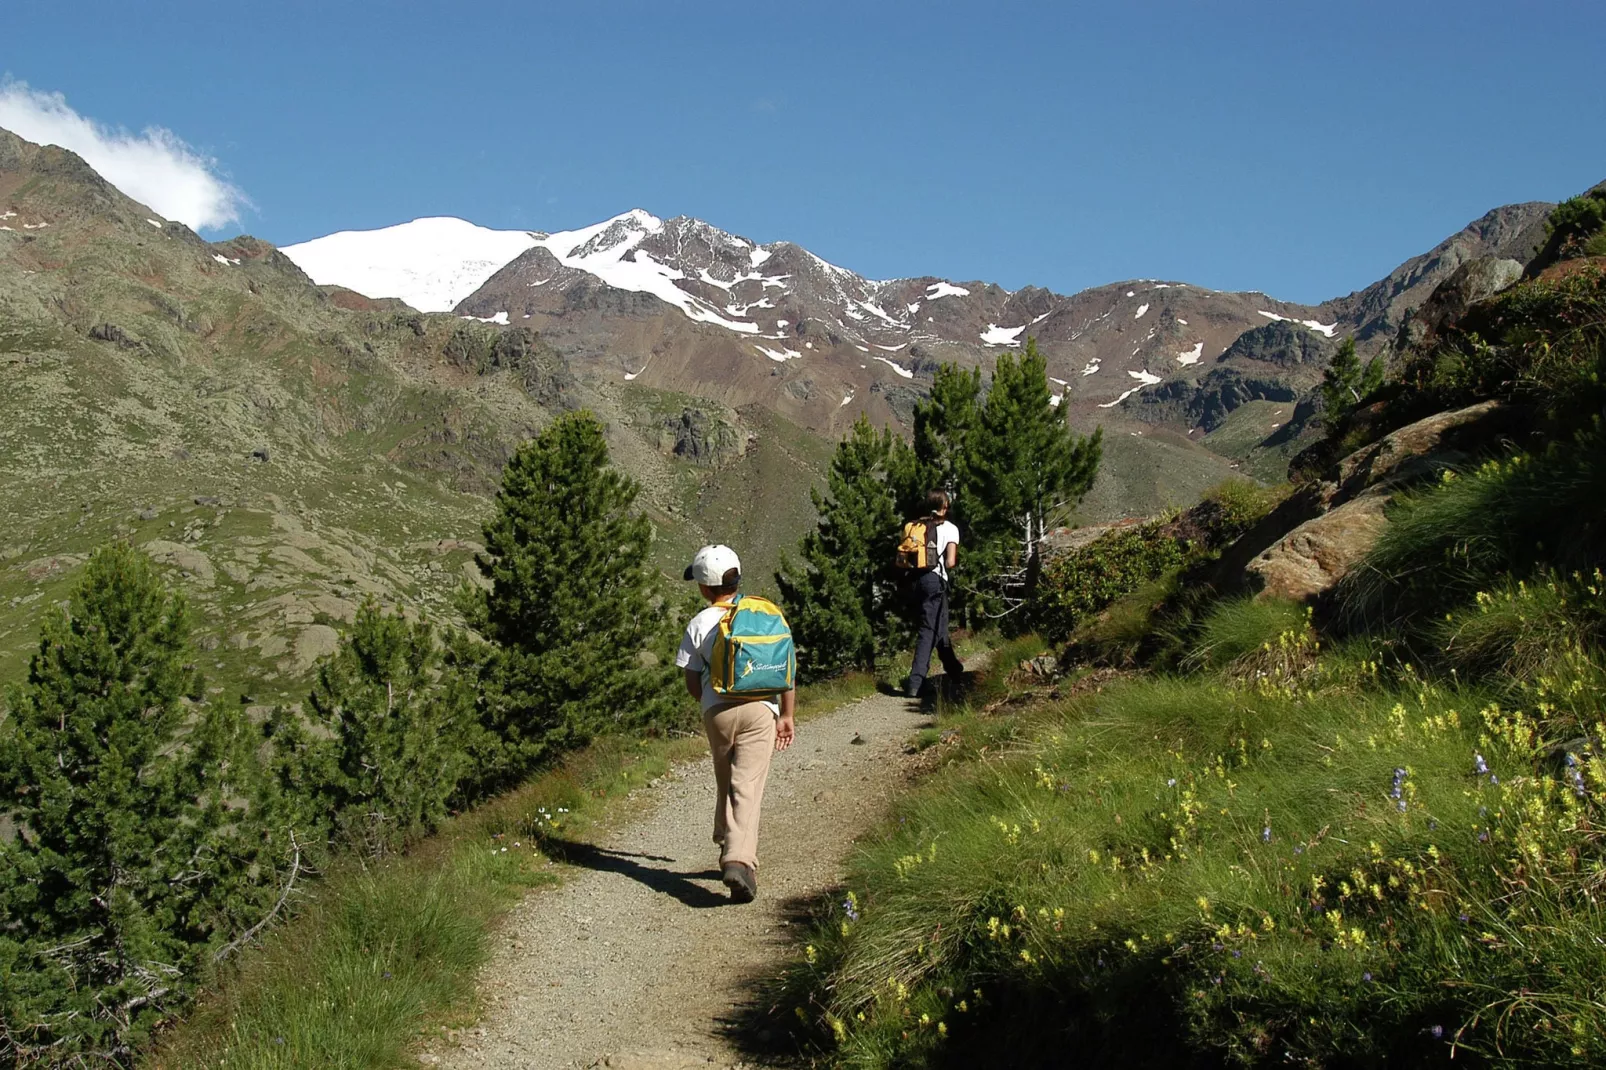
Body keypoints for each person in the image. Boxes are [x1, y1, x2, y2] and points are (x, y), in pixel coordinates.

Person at [676, 544, 797, 903]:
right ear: (737, 577)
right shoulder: (767, 612)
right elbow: (787, 666)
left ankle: (724, 836)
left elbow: (691, 681)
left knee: (726, 777)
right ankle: (738, 859)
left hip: (718, 711)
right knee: (747, 786)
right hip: (761, 708)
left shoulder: (698, 623)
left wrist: (711, 704)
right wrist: (787, 715)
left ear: (703, 587)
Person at [905, 490, 964, 698]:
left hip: (916, 581)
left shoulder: (917, 526)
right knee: (929, 629)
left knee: (939, 624)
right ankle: (915, 682)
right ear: (945, 507)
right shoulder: (950, 529)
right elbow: (950, 562)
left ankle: (954, 670)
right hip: (935, 581)